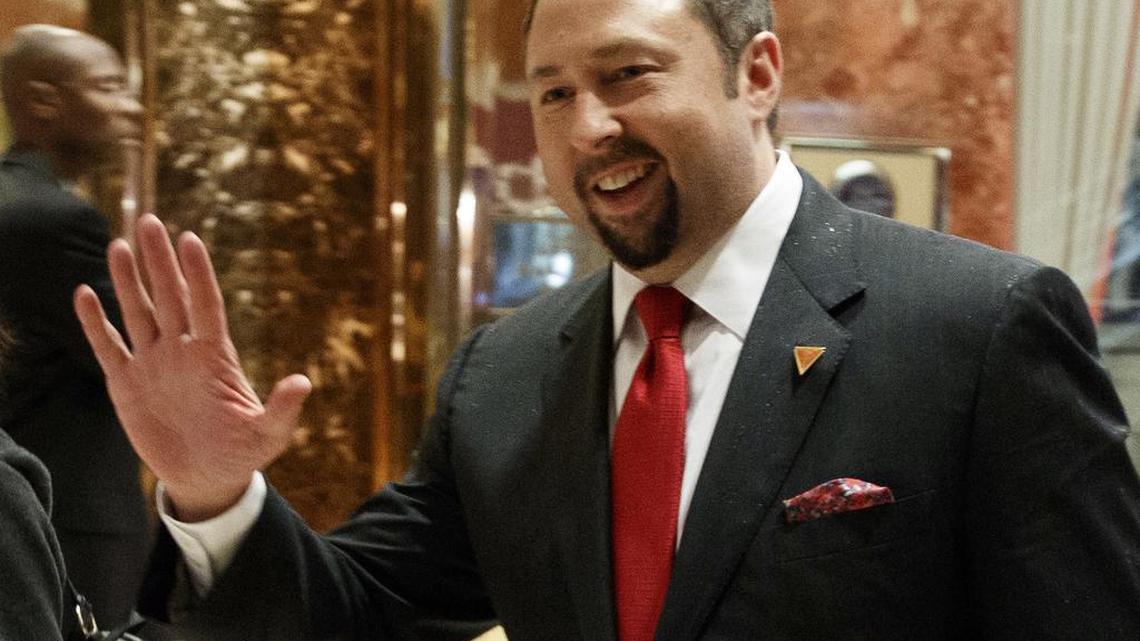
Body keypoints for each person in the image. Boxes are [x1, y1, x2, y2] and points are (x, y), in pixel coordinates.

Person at [74, 0, 1140, 639]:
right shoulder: (506, 373)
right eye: (552, 94)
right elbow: (353, 614)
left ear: (757, 73)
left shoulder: (979, 327)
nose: (588, 127)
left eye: (627, 76)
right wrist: (215, 495)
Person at [0, 24, 148, 628]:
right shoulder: (52, 217)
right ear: (44, 100)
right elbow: (139, 360)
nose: (131, 107)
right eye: (108, 87)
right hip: (67, 514)